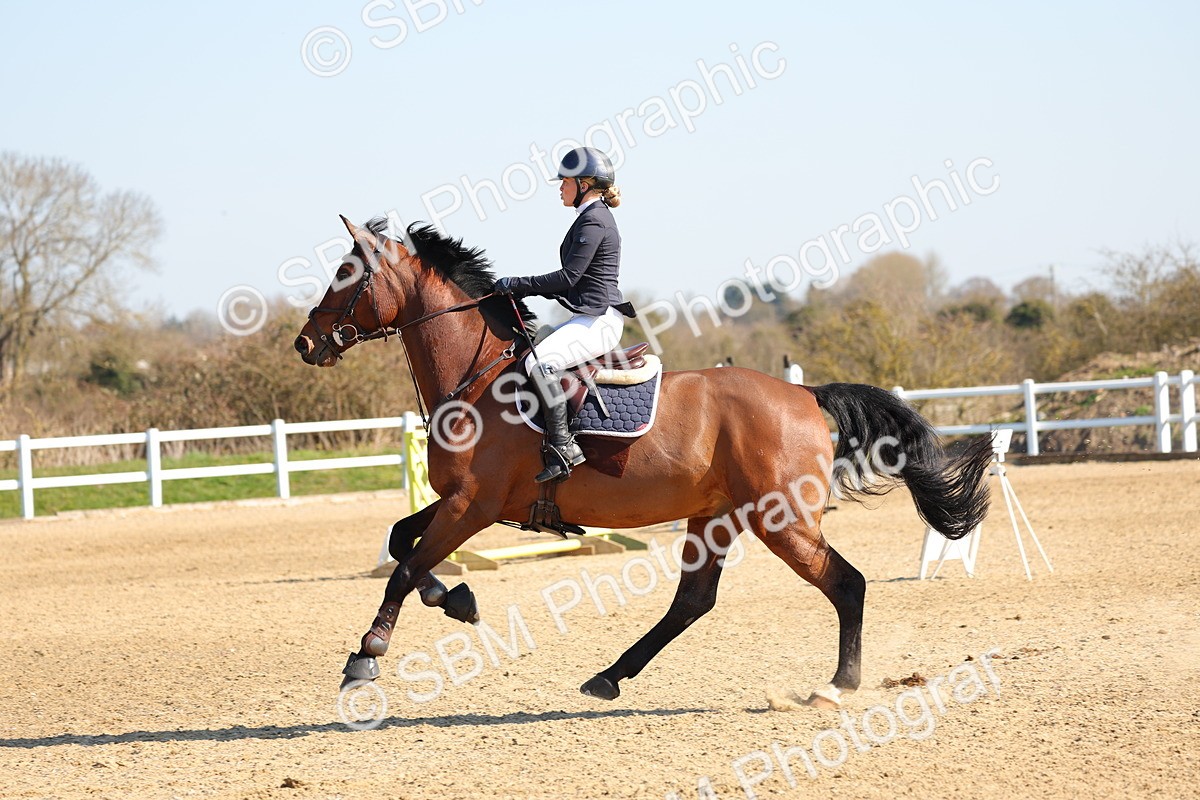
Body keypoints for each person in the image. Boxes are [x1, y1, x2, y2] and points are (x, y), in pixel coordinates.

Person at [493, 146, 636, 483]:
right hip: (587, 315)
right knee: (531, 350)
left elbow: (569, 277)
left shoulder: (595, 219)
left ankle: (564, 446)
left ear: (584, 184)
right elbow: (573, 284)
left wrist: (519, 284)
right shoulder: (589, 217)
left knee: (539, 364)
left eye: (565, 182)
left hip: (599, 319)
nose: (560, 187)